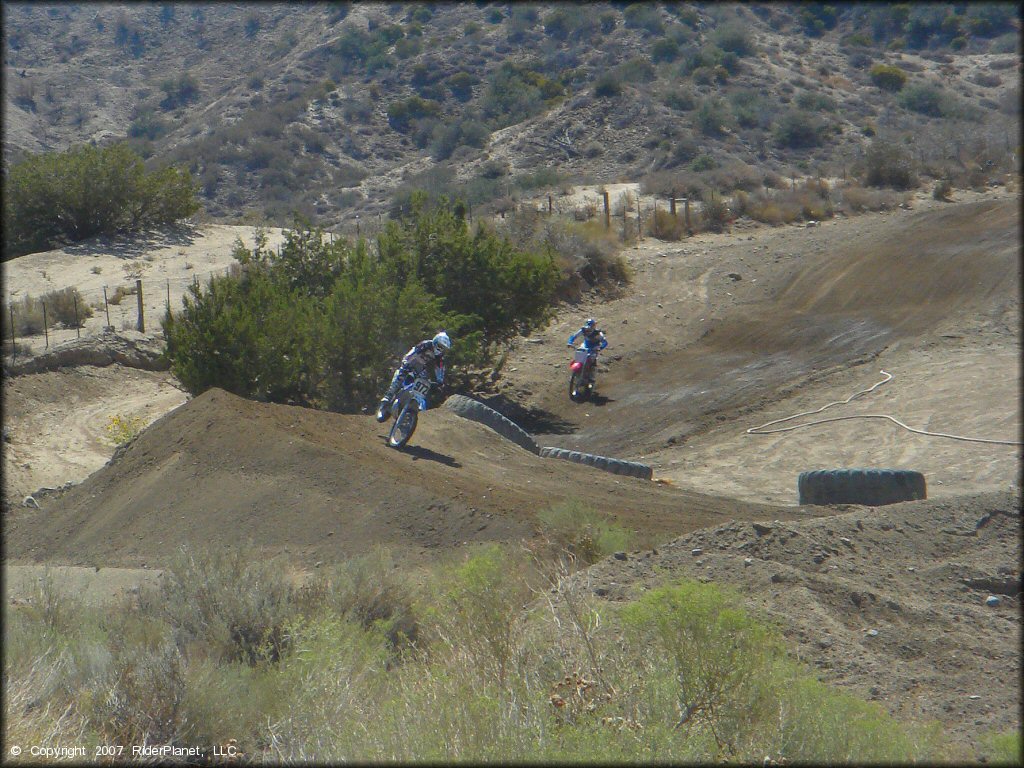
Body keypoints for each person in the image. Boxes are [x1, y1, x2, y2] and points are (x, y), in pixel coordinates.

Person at [377, 331, 451, 421]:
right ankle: (386, 400)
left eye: (443, 349)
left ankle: (412, 412)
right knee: (399, 378)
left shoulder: (440, 358)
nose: (441, 350)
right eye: (440, 346)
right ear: (435, 342)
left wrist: (439, 382)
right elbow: (413, 352)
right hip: (411, 366)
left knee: (426, 391)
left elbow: (440, 370)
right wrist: (406, 362)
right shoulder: (426, 345)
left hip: (421, 374)